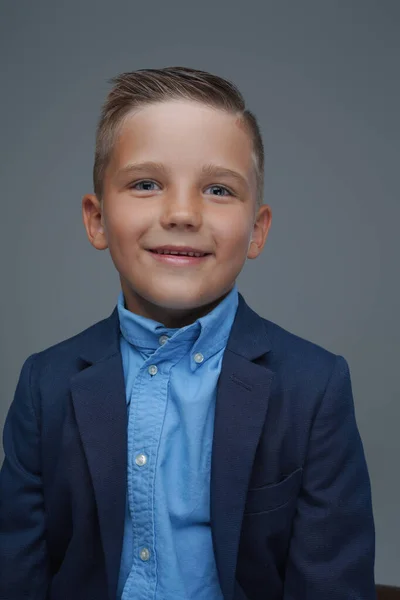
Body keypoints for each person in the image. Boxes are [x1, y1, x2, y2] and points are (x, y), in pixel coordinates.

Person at [0, 67, 375, 600]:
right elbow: (18, 570)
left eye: (218, 189)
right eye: (146, 184)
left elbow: (331, 584)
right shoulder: (45, 383)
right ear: (97, 219)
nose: (181, 213)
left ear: (257, 230)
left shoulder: (315, 387)